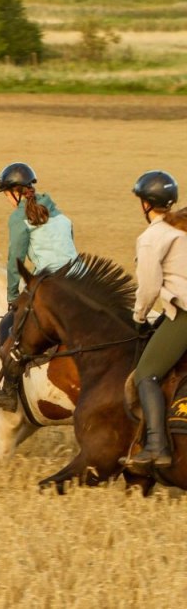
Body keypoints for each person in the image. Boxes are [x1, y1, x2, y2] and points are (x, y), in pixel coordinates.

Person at [0, 162, 78, 410]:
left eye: (5, 194)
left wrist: (13, 297)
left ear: (15, 192)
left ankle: (9, 392)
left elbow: (16, 260)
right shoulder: (59, 213)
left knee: (9, 327)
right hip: (81, 280)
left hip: (52, 285)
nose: (6, 199)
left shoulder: (19, 218)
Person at [125, 170, 187, 468]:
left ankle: (156, 446)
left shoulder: (152, 237)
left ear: (146, 204)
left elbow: (149, 287)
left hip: (185, 314)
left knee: (145, 374)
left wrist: (138, 317)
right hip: (178, 310)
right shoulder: (181, 231)